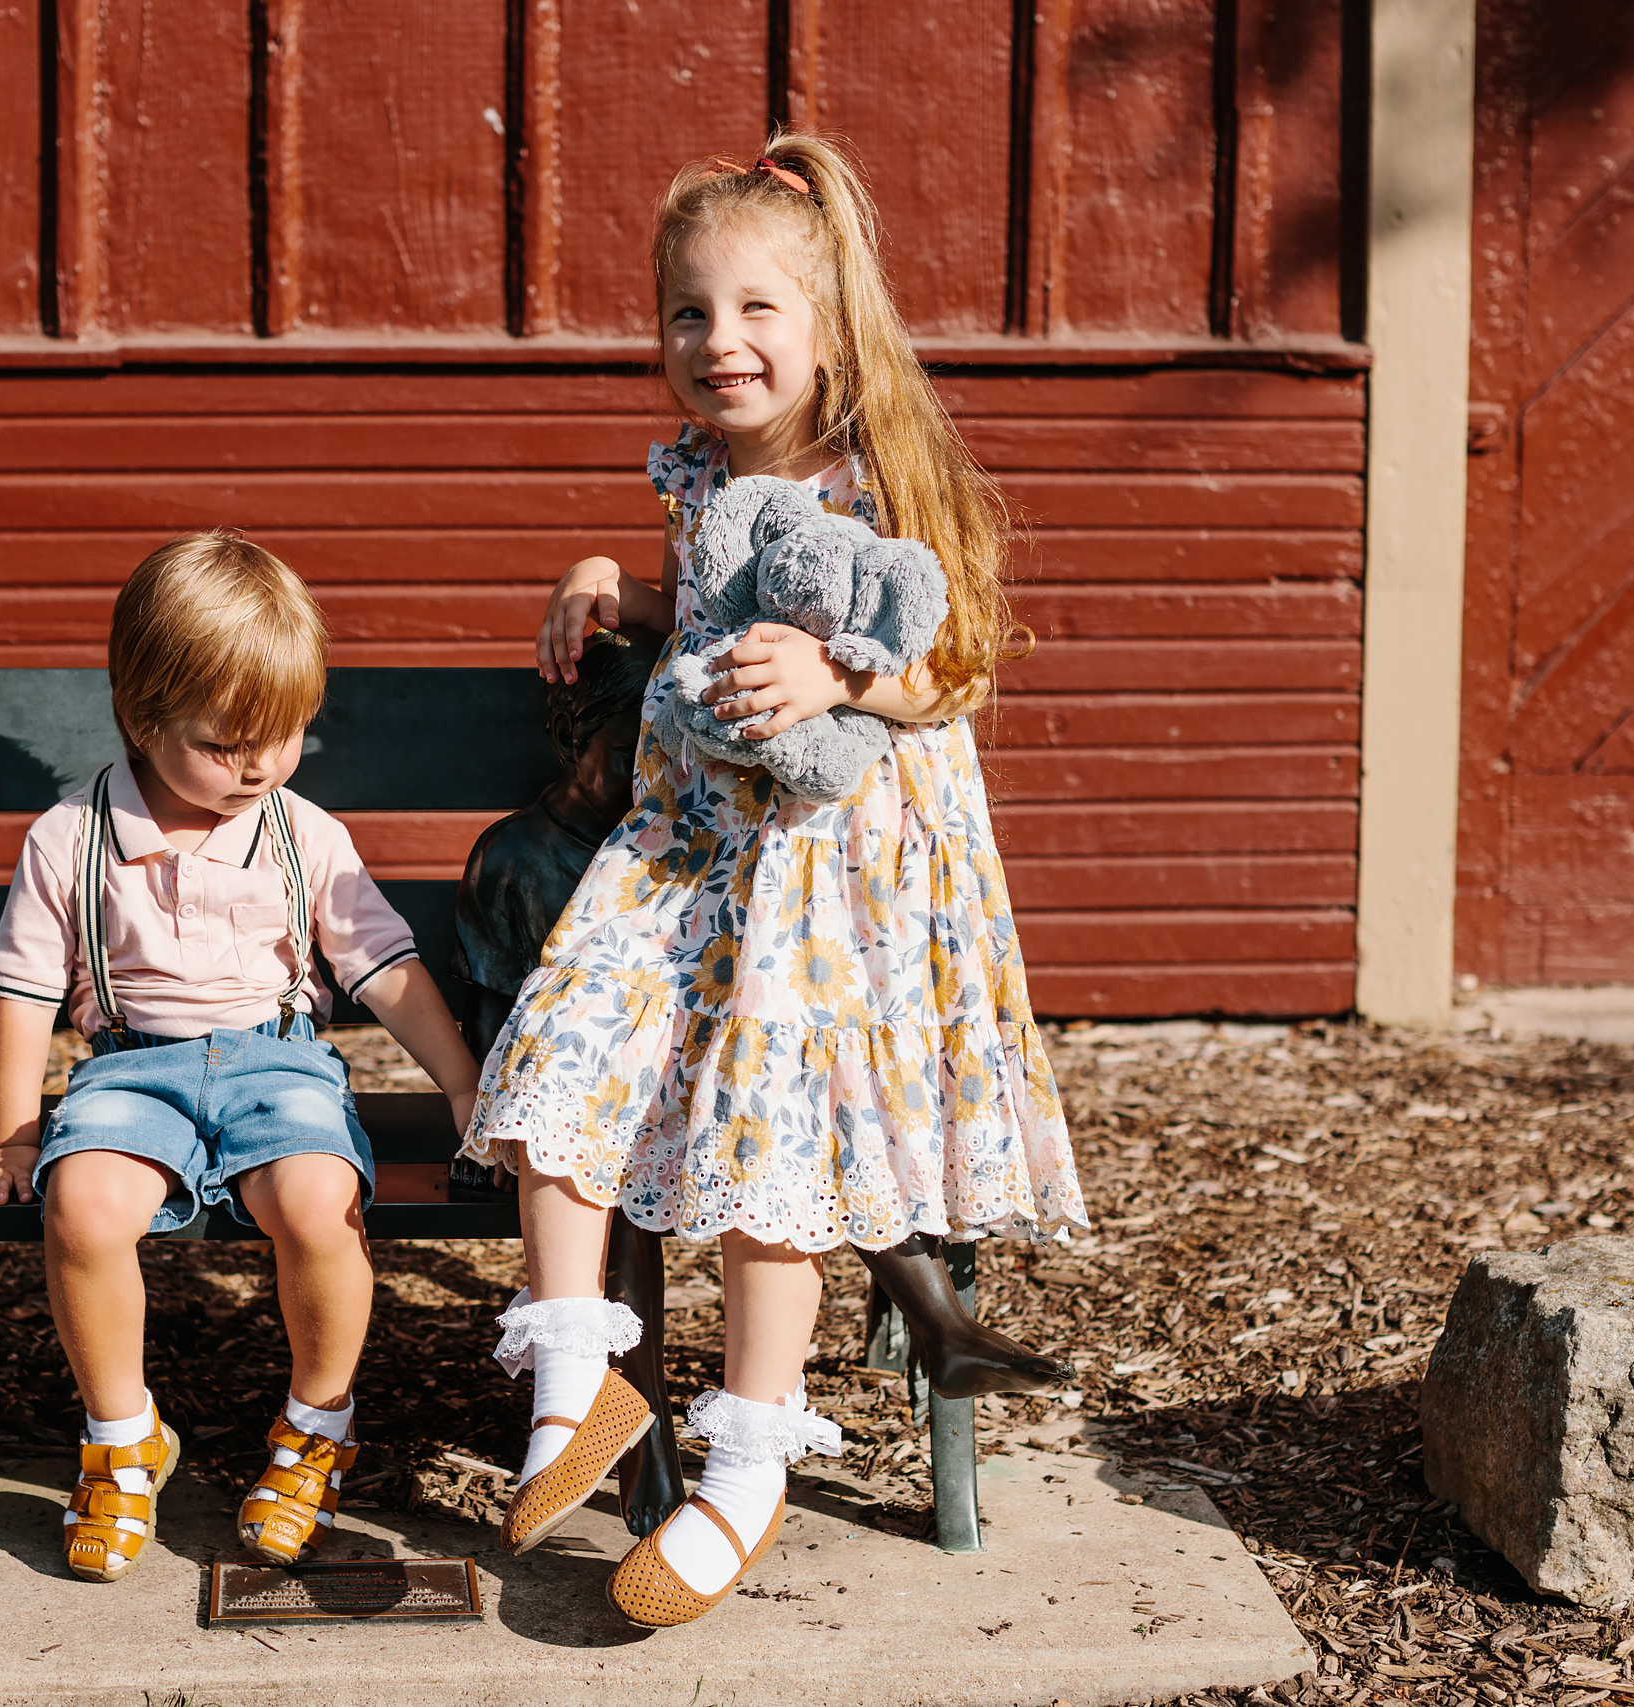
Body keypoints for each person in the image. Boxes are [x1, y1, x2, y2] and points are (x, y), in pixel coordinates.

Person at [461, 134, 1089, 1628]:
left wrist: (841, 670)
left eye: (756, 310)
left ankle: (749, 1456)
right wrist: (626, 583)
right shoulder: (695, 471)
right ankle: (575, 1380)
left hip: (829, 880)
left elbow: (958, 658)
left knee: (768, 1143)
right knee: (554, 1053)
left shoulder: (881, 467)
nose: (719, 343)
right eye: (689, 312)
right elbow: (727, 595)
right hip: (683, 854)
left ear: (828, 326)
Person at [0, 531, 484, 1585]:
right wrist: (16, 1137)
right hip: (127, 1070)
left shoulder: (303, 833)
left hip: (279, 1067)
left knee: (318, 1202)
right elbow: (19, 995)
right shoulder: (70, 837)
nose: (260, 766)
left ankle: (315, 1428)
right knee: (83, 1208)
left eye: (285, 736)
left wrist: (468, 1089)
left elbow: (382, 968)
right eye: (227, 744)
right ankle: (121, 1437)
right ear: (142, 716)